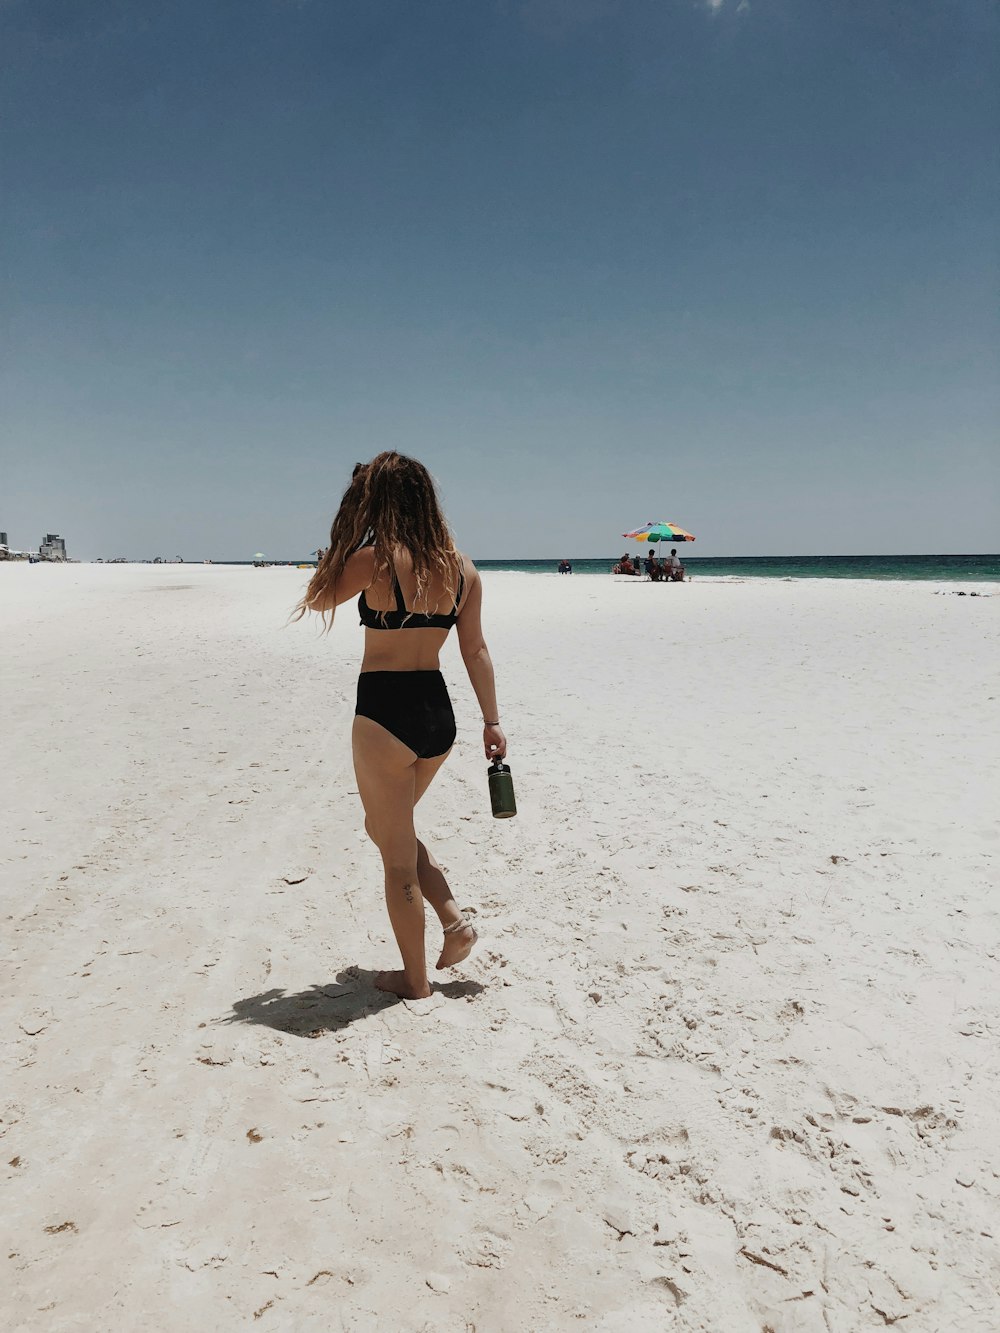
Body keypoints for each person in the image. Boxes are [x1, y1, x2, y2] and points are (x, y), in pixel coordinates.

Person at [292, 453, 506, 1001]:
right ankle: (455, 923)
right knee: (389, 829)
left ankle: (416, 982)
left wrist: (342, 545)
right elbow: (475, 648)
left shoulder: (373, 561)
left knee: (395, 859)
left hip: (384, 712)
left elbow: (317, 598)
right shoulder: (462, 568)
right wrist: (493, 721)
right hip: (438, 715)